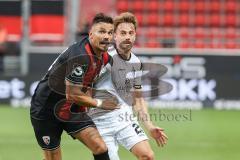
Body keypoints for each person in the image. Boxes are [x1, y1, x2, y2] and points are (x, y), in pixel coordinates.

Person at [30, 13, 118, 160]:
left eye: (110, 33)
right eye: (102, 31)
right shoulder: (80, 56)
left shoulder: (106, 58)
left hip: (72, 109)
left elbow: (90, 83)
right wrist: (101, 103)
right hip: (46, 110)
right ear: (91, 34)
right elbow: (73, 94)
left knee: (100, 147)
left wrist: (90, 103)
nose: (107, 37)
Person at [88, 12, 168, 160]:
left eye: (131, 33)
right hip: (100, 122)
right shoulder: (104, 58)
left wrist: (149, 126)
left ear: (135, 36)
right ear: (114, 36)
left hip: (124, 119)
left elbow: (137, 99)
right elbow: (83, 86)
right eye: (123, 33)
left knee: (148, 156)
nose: (127, 37)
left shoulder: (135, 63)